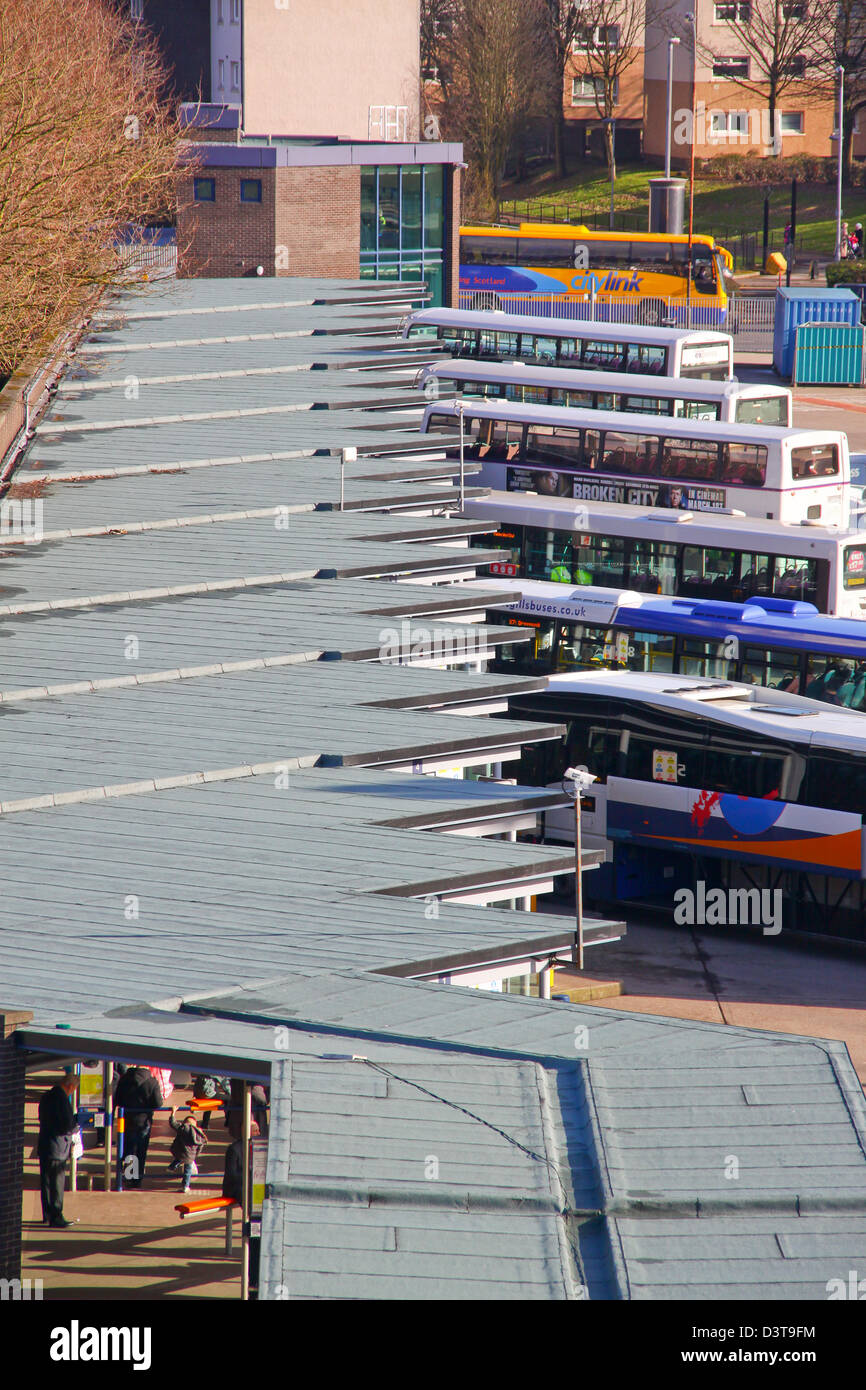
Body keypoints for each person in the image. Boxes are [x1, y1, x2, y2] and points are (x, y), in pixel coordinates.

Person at [37, 1074, 79, 1228]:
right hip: (58, 1147)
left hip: (44, 1144)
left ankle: (46, 1214)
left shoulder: (47, 1096)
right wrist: (75, 1127)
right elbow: (67, 1124)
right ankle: (56, 1216)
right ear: (70, 1086)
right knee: (57, 1182)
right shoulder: (62, 1099)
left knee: (46, 1181)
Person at [114, 1064, 163, 1185]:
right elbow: (158, 1103)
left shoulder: (124, 1079)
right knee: (141, 1150)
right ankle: (137, 1179)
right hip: (143, 1120)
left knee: (128, 1147)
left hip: (126, 1118)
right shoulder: (151, 1082)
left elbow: (117, 1099)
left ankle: (129, 1174)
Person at [167, 1107, 208, 1193]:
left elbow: (173, 1123)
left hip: (180, 1151)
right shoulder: (199, 1134)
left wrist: (173, 1112)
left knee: (179, 1158)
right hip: (191, 1155)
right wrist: (196, 1155)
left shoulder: (183, 1128)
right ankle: (185, 1186)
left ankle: (172, 1167)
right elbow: (200, 1146)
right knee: (187, 1172)